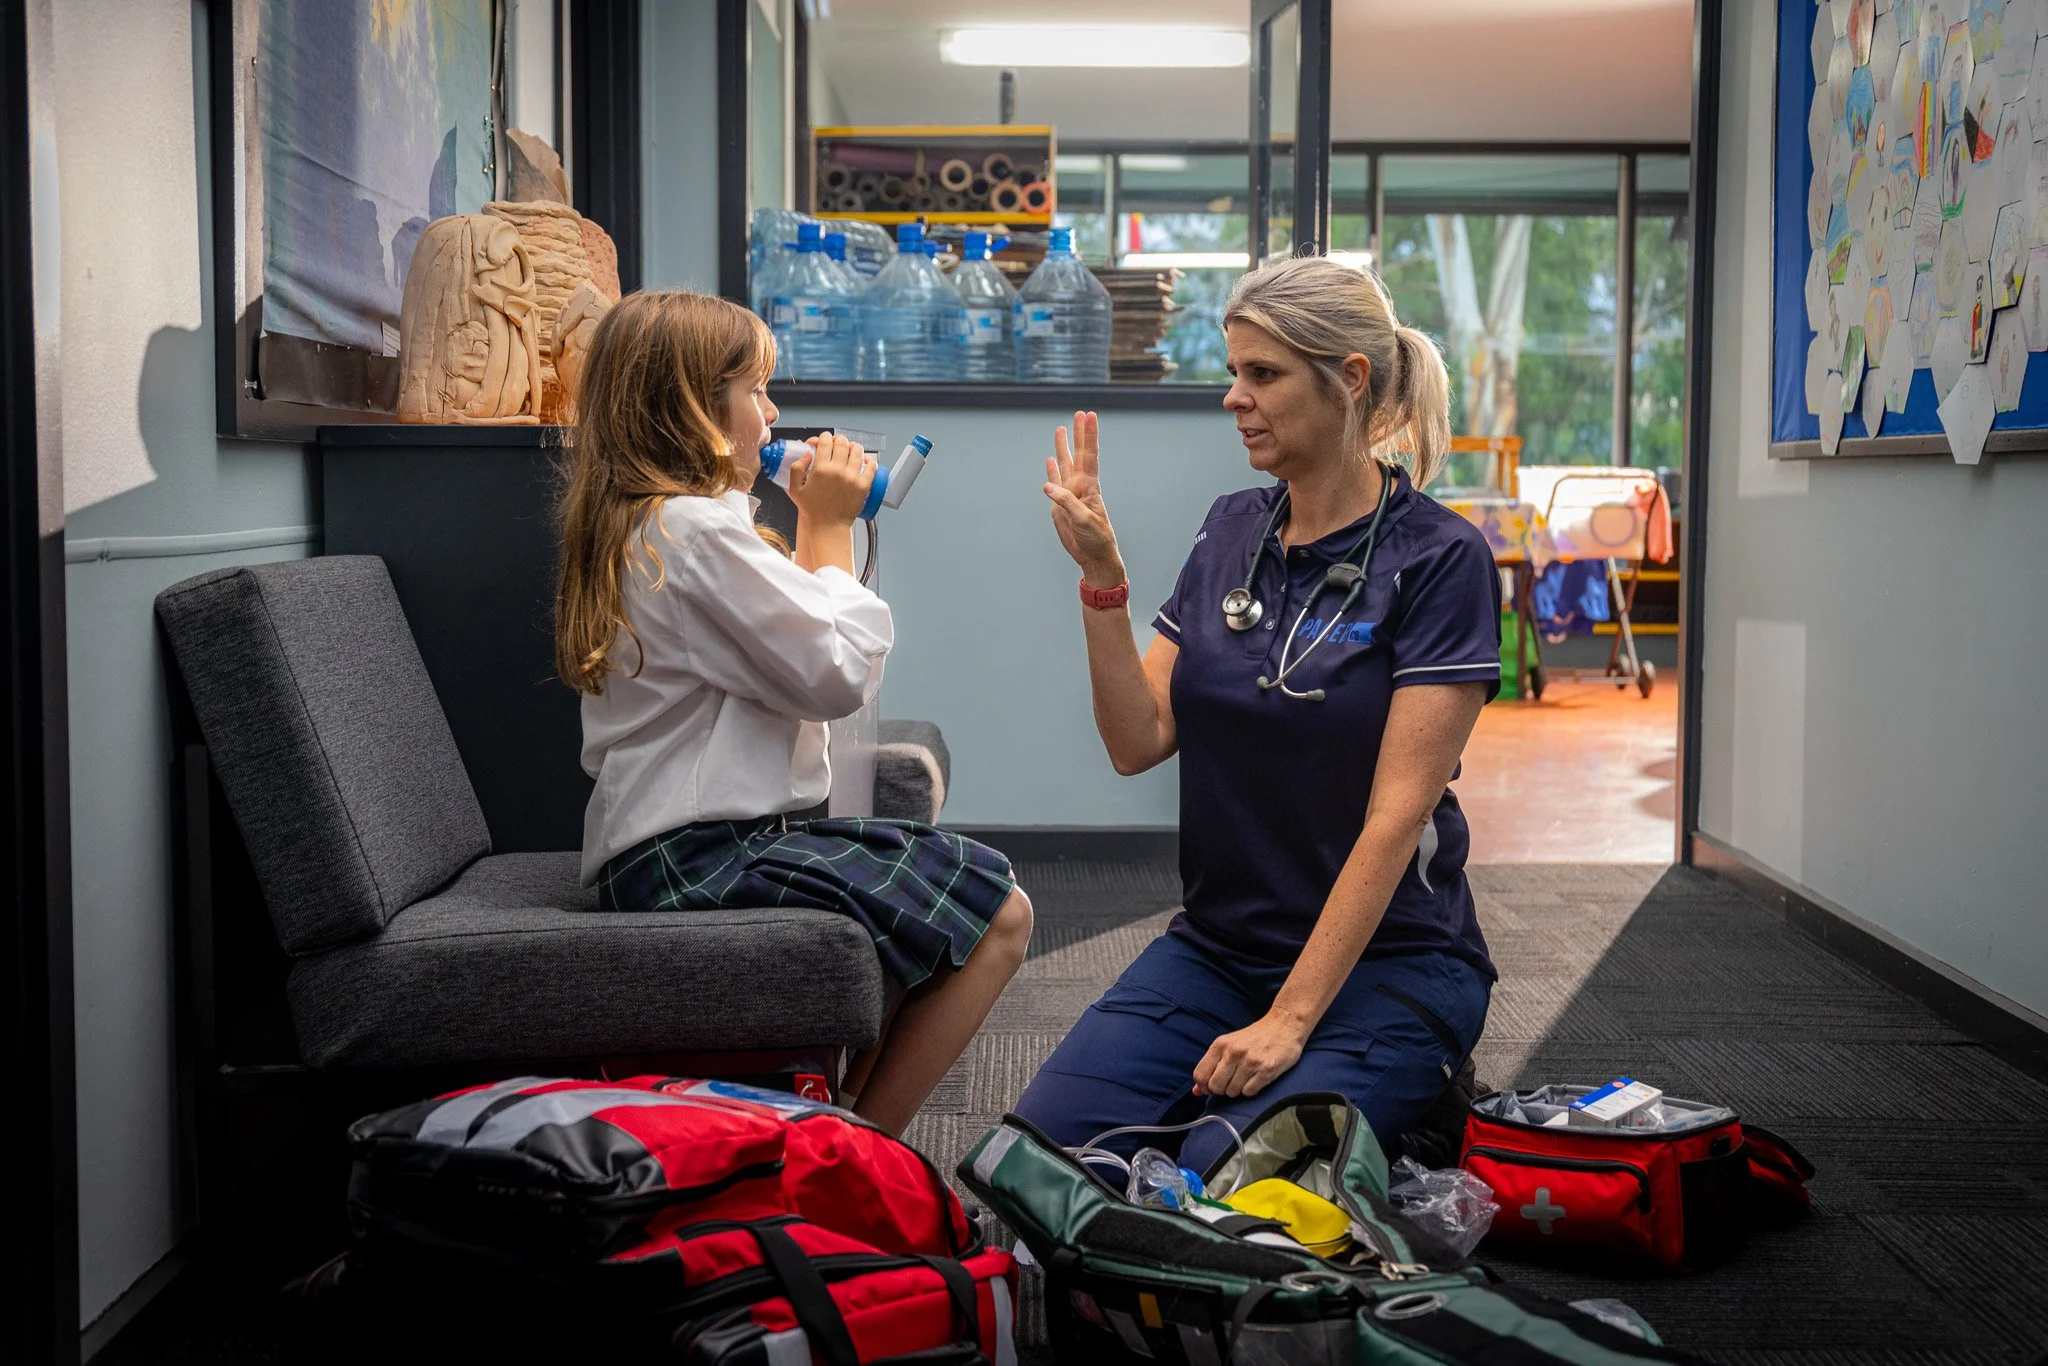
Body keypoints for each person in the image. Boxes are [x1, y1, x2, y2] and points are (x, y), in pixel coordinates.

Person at [1012, 256, 1499, 1171]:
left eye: (1262, 375)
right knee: (1034, 1167)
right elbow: (1137, 740)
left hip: (1389, 964)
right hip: (1218, 951)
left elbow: (1397, 818)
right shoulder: (1231, 526)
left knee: (1217, 1183)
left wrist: (1290, 1020)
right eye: (1233, 372)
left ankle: (1413, 1098)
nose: (1234, 398)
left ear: (1349, 378)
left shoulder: (1442, 558)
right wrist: (1102, 580)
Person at [554, 291, 1033, 1136]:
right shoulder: (695, 532)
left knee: (952, 898)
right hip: (701, 857)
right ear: (696, 407)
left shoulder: (653, 524)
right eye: (757, 391)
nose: (774, 415)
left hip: (673, 848)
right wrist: (831, 528)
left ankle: (841, 1130)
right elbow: (835, 674)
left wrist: (818, 526)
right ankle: (864, 1151)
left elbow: (804, 654)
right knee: (1000, 914)